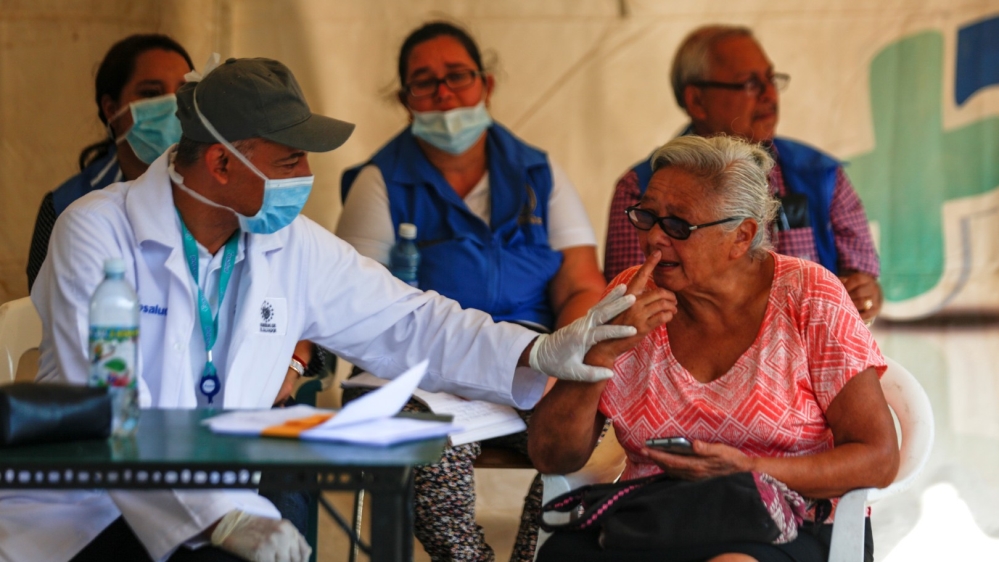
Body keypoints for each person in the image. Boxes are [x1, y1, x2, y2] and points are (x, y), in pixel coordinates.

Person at [11, 56, 653, 562]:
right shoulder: (97, 231)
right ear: (220, 163)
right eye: (288, 160)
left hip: (220, 510)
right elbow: (111, 411)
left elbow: (410, 322)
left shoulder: (290, 244)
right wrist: (222, 518)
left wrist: (536, 350)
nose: (305, 175)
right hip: (85, 513)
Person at [530, 135, 900, 562]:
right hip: (661, 518)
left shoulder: (809, 295)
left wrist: (749, 469)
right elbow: (551, 456)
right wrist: (600, 354)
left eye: (678, 225)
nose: (653, 238)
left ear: (741, 236)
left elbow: (878, 458)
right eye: (647, 216)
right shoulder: (630, 296)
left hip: (793, 519)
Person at [336, 21, 606, 562]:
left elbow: (581, 283)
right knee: (427, 454)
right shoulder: (380, 181)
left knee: (587, 441)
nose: (444, 93)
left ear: (487, 83)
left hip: (529, 362)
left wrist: (565, 359)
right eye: (424, 81)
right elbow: (354, 306)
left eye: (457, 75)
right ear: (405, 99)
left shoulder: (538, 173)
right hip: (419, 369)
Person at [603, 25, 884, 324]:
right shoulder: (642, 190)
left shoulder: (820, 175)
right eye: (749, 84)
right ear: (697, 101)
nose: (769, 94)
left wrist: (865, 295)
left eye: (770, 79)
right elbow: (629, 304)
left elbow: (864, 283)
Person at [26, 33, 193, 291]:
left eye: (184, 93)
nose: (173, 106)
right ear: (112, 109)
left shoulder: (216, 196)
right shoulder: (65, 205)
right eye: (151, 93)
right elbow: (41, 306)